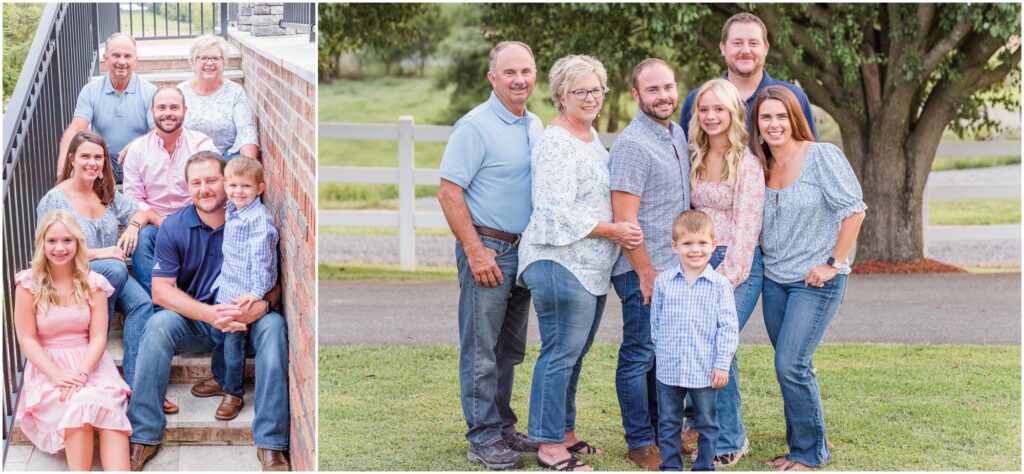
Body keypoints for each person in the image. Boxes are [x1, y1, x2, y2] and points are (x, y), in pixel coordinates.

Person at [126, 151, 290, 471]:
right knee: (158, 325)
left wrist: (262, 306)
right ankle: (143, 435)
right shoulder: (174, 226)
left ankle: (270, 444)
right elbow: (161, 291)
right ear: (187, 187)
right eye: (196, 182)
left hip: (246, 315)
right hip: (199, 321)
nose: (205, 188)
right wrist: (209, 314)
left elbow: (275, 279)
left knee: (275, 329)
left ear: (227, 183)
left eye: (212, 180)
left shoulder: (250, 219)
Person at [518, 54, 643, 472]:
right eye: (581, 91)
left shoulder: (590, 139)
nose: (591, 98)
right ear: (560, 96)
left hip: (590, 267)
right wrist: (612, 230)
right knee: (559, 352)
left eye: (596, 90)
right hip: (558, 262)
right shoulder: (556, 142)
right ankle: (549, 445)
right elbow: (555, 210)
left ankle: (566, 432)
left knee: (575, 352)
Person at [437, 41, 544, 470]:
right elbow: (449, 193)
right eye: (510, 72)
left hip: (525, 250)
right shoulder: (475, 126)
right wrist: (475, 251)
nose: (519, 79)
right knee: (482, 348)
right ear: (492, 78)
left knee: (510, 348)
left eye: (526, 71)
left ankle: (501, 427)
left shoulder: (534, 124)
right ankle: (481, 438)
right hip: (490, 249)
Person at [751, 86, 866, 471]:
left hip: (815, 281)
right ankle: (802, 440)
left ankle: (811, 453)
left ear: (795, 118)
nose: (773, 124)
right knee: (795, 365)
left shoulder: (821, 157)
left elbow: (854, 211)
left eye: (781, 116)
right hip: (775, 281)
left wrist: (833, 262)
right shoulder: (759, 164)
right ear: (758, 124)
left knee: (790, 364)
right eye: (765, 117)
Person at [608, 58, 691, 471]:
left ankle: (664, 433)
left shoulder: (676, 133)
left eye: (669, 87)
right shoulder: (631, 145)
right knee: (639, 355)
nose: (664, 96)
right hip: (642, 271)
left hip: (672, 272)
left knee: (662, 357)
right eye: (653, 90)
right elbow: (625, 222)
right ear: (636, 95)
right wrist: (645, 272)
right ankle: (640, 441)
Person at [685, 78, 765, 465]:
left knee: (721, 345)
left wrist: (721, 278)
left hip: (738, 265)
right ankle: (702, 429)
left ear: (734, 112)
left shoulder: (748, 163)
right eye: (704, 109)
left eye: (719, 109)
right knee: (700, 347)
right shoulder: (693, 155)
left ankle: (731, 438)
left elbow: (748, 229)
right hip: (696, 261)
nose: (711, 116)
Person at [37, 131, 155, 392]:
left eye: (98, 157)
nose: (92, 163)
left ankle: (134, 384)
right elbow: (46, 250)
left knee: (142, 305)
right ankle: (94, 354)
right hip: (72, 274)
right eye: (85, 156)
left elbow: (139, 211)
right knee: (114, 268)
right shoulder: (56, 200)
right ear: (72, 159)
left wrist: (134, 226)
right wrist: (99, 252)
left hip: (109, 277)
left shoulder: (106, 192)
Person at [13, 210, 131, 470]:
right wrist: (56, 374)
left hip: (89, 362)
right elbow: (27, 339)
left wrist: (82, 373)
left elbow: (99, 336)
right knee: (79, 404)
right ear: (42, 243)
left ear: (77, 243)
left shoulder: (94, 283)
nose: (59, 248)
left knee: (107, 408)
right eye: (52, 241)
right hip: (48, 366)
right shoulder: (28, 284)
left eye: (67, 240)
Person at [651, 210, 739, 472]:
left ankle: (704, 467)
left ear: (713, 245)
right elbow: (655, 324)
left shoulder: (720, 285)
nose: (695, 250)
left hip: (704, 370)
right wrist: (662, 354)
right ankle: (671, 467)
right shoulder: (664, 282)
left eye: (702, 243)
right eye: (687, 243)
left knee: (707, 422)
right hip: (669, 370)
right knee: (668, 422)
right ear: (675, 246)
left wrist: (722, 364)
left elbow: (728, 328)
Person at [122, 85, 219, 298]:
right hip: (156, 223)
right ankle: (160, 305)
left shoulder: (202, 144)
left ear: (185, 110)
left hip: (196, 219)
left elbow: (216, 187)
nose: (168, 113)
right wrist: (160, 221)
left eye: (174, 107)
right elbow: (133, 198)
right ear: (152, 112)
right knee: (143, 238)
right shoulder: (138, 151)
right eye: (162, 107)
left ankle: (203, 301)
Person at [208, 157, 279, 421]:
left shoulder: (258, 220)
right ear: (226, 185)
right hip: (226, 286)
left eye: (245, 186)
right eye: (233, 185)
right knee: (217, 335)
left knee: (233, 343)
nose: (238, 191)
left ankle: (233, 392)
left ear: (260, 188)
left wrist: (256, 294)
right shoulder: (233, 208)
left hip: (243, 295)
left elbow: (263, 260)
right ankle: (220, 378)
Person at [679, 12, 818, 141]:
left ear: (765, 48)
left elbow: (812, 158)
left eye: (753, 43)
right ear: (723, 48)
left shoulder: (794, 97)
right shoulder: (697, 100)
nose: (745, 50)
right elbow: (685, 160)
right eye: (737, 43)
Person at [58, 33, 156, 181]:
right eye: (116, 55)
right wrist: (62, 171)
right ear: (106, 58)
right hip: (102, 161)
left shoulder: (150, 91)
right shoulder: (91, 90)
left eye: (127, 56)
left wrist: (136, 144)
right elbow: (77, 128)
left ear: (135, 60)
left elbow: (159, 132)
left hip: (138, 159)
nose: (122, 61)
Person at [177, 34, 259, 161]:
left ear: (224, 62)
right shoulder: (180, 92)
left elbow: (246, 130)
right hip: (189, 159)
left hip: (226, 159)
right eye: (203, 58)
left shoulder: (235, 92)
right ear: (192, 62)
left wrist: (248, 166)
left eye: (215, 58)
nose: (209, 63)